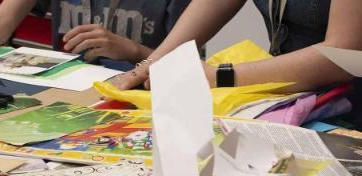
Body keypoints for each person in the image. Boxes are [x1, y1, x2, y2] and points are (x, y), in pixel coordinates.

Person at [115, 0, 362, 92]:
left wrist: (217, 76)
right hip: (296, 97)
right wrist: (153, 62)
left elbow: (343, 57)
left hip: (352, 113)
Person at [0, 0, 191, 65]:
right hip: (64, 90)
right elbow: (0, 19)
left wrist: (134, 51)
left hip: (139, 97)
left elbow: (191, 67)